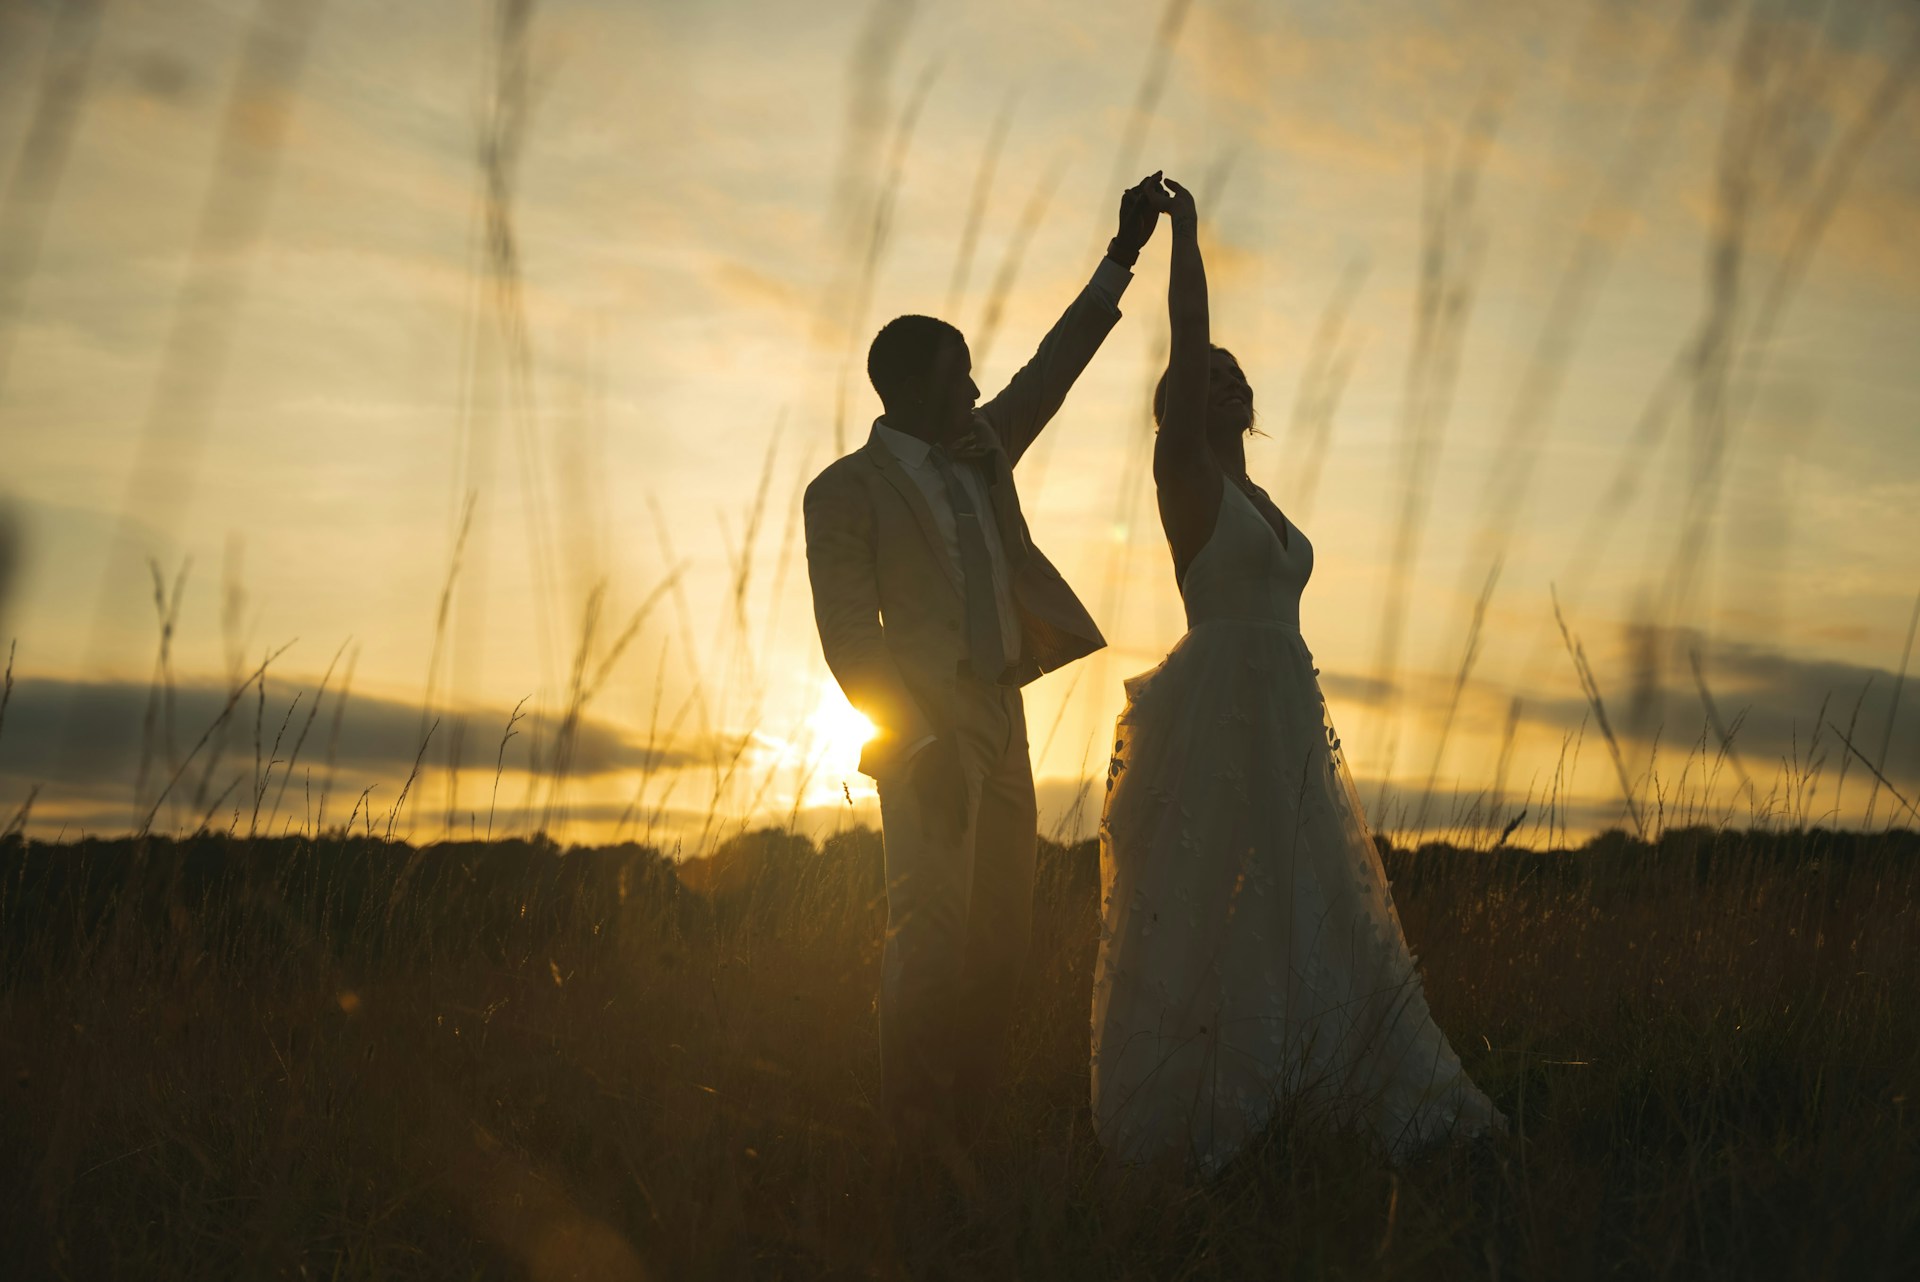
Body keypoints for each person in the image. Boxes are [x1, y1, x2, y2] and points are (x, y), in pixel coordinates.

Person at [1090, 177, 1504, 1172]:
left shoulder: (1263, 492)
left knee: (1306, 901)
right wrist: (1184, 235)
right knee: (1203, 909)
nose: (1227, 378)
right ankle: (1215, 1112)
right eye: (1210, 374)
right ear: (1180, 403)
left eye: (1238, 373)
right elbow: (1190, 338)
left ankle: (1316, 1086)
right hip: (1215, 707)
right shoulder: (1183, 479)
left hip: (1287, 709)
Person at [804, 174, 1165, 1144]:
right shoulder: (843, 492)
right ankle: (913, 1149)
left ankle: (974, 1131)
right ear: (916, 385)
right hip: (927, 732)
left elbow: (1053, 370)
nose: (975, 387)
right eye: (960, 374)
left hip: (1005, 720)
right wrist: (916, 745)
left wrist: (1120, 256)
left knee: (1002, 947)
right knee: (930, 941)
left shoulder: (985, 446)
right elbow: (849, 632)